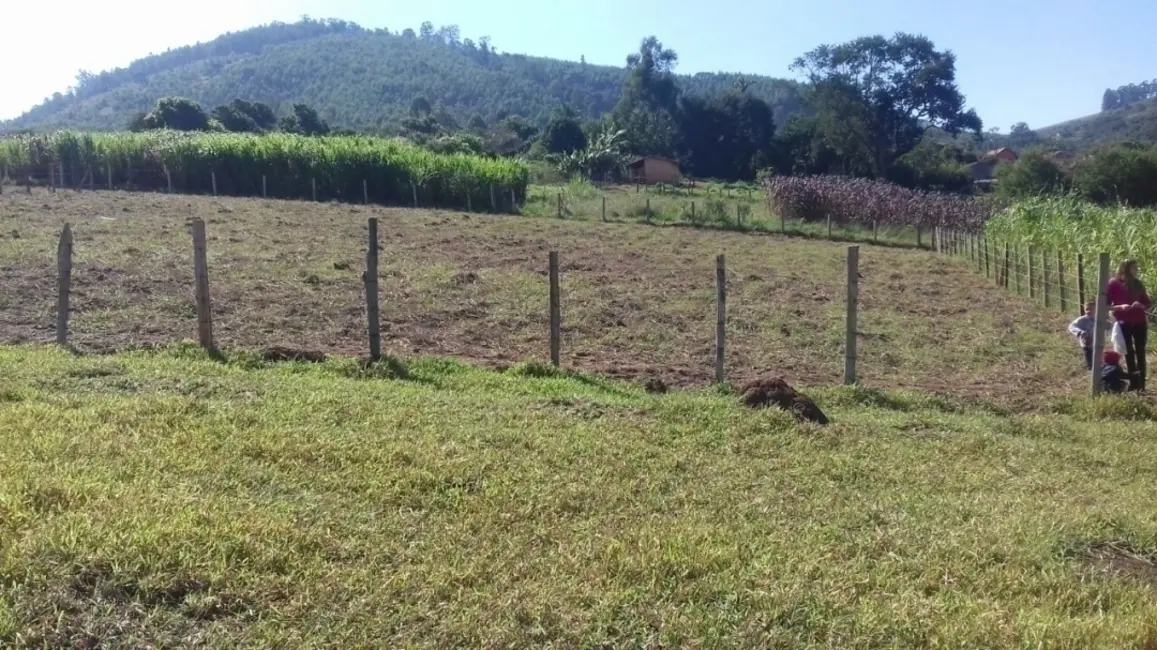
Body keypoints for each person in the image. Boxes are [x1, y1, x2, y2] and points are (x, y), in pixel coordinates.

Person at [1107, 258, 1151, 391]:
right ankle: (1133, 383)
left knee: (1140, 352)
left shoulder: (1138, 284)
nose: (1136, 270)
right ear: (1125, 268)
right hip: (1124, 322)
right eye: (1133, 267)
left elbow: (1147, 303)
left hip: (1140, 321)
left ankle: (1141, 385)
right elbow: (1106, 305)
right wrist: (1120, 307)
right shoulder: (1114, 283)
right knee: (1129, 353)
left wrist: (1141, 305)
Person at [1068, 302, 1096, 370]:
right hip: (1087, 345)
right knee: (1090, 361)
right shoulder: (1082, 320)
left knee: (1099, 360)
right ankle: (1091, 371)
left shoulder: (1101, 319)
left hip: (1099, 344)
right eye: (1087, 309)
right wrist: (1080, 332)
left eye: (1091, 309)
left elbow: (1109, 327)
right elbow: (1071, 326)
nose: (1089, 311)